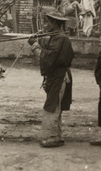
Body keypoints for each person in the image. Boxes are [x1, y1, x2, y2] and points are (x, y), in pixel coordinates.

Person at [28, 8, 74, 147]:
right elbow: (47, 48)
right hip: (55, 77)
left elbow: (48, 57)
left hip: (59, 77)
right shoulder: (56, 37)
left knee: (52, 107)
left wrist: (34, 45)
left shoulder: (61, 39)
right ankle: (56, 135)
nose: (44, 25)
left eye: (46, 22)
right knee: (55, 106)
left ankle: (53, 137)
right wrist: (37, 41)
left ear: (55, 23)